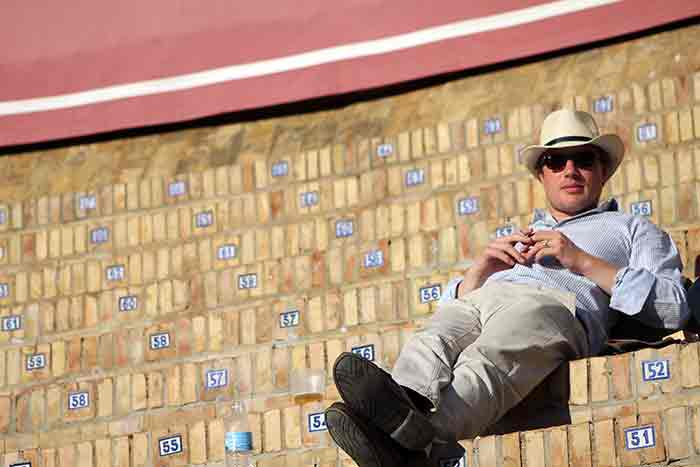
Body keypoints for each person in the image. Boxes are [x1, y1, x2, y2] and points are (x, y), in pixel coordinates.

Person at [324, 109, 690, 467]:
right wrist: (480, 271)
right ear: (540, 175)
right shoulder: (520, 235)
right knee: (434, 338)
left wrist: (581, 260)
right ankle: (404, 410)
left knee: (487, 357)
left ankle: (419, 444)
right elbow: (452, 311)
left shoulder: (631, 228)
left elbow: (675, 306)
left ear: (603, 170)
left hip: (557, 306)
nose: (570, 170)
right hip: (485, 296)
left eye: (583, 158)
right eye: (555, 161)